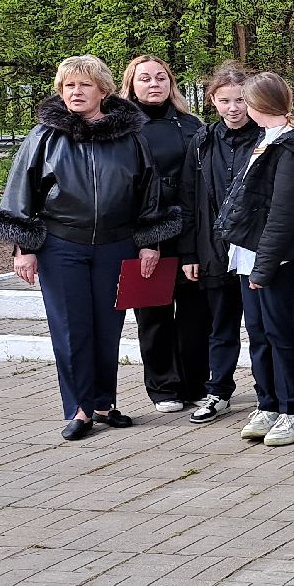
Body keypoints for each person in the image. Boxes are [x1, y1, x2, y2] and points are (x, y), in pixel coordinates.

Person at [0, 55, 175, 440]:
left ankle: (104, 403)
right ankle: (80, 408)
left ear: (103, 90)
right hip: (60, 245)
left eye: (84, 85)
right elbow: (20, 191)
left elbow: (148, 191)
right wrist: (24, 247)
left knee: (108, 328)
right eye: (68, 86)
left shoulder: (130, 136)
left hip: (116, 245)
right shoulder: (44, 136)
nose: (75, 92)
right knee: (71, 329)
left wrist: (150, 242)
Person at [216, 72, 294, 447]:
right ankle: (268, 404)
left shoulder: (293, 147)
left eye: (245, 101)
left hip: (276, 259)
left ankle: (293, 411)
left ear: (257, 105)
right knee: (260, 335)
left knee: (280, 334)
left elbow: (284, 214)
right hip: (252, 255)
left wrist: (264, 268)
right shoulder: (266, 141)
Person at [121, 54, 206, 416]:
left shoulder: (191, 125)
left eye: (160, 77)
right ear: (132, 85)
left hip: (188, 233)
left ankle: (196, 384)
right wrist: (145, 239)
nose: (154, 84)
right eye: (145, 79)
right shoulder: (120, 127)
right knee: (153, 317)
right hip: (143, 234)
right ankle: (163, 387)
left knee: (195, 316)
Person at [179, 62, 257, 424]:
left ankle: (268, 393)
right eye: (225, 100)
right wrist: (190, 252)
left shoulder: (265, 137)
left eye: (240, 100)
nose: (233, 108)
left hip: (256, 249)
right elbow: (190, 198)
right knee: (221, 326)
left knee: (261, 327)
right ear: (213, 100)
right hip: (214, 248)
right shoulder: (203, 140)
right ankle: (217, 391)